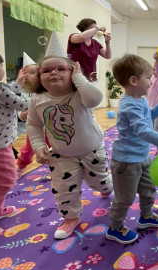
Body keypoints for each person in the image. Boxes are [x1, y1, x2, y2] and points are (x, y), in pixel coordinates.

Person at [27, 40, 113, 240]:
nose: (53, 73)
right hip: (61, 155)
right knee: (63, 190)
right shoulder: (37, 99)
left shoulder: (79, 94)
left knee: (100, 183)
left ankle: (106, 187)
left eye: (60, 69)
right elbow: (33, 125)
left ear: (72, 72)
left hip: (92, 150)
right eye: (46, 70)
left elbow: (95, 99)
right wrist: (39, 146)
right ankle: (70, 217)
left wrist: (79, 77)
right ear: (39, 76)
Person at [106, 54, 158, 244]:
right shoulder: (128, 105)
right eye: (149, 78)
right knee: (125, 198)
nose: (152, 81)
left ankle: (146, 216)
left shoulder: (140, 99)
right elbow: (144, 131)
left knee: (148, 189)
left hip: (142, 157)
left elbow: (147, 117)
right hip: (126, 162)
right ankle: (115, 228)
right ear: (134, 81)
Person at [0, 49, 29, 225]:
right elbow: (23, 104)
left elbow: (6, 94)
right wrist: (39, 95)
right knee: (6, 181)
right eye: (1, 66)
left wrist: (17, 83)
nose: (3, 70)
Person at [16, 61, 40, 179]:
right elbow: (20, 114)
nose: (36, 74)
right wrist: (23, 116)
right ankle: (20, 167)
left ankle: (56, 169)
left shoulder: (48, 90)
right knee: (27, 151)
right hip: (34, 129)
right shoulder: (24, 94)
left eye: (35, 72)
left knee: (56, 149)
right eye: (30, 72)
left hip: (51, 128)